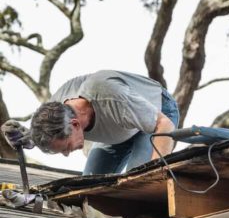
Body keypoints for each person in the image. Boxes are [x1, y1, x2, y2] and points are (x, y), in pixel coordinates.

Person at [1, 70, 179, 175]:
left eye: (66, 147)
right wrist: (26, 138)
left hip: (156, 113)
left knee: (139, 178)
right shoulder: (55, 112)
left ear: (76, 124)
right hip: (119, 126)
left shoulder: (112, 97)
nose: (67, 154)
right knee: (88, 187)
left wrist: (156, 176)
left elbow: (164, 125)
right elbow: (46, 137)